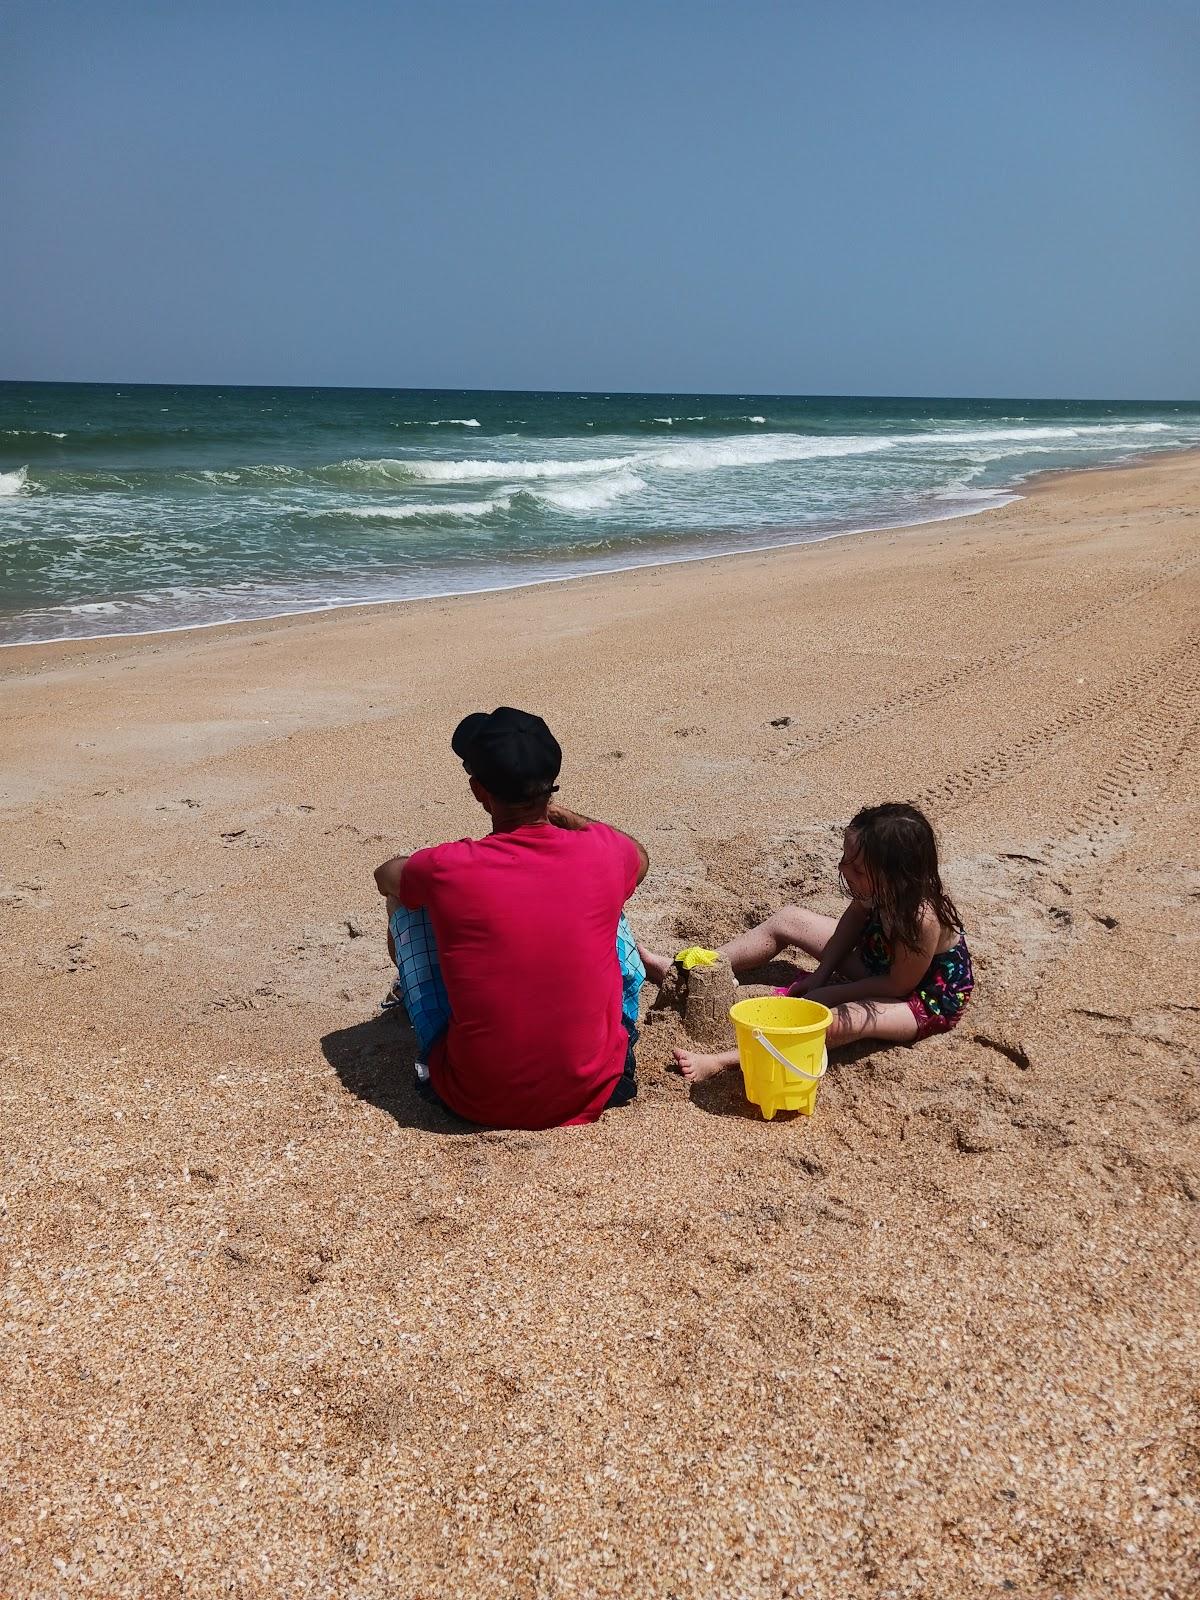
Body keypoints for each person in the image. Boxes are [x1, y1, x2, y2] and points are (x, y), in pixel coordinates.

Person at [374, 706, 649, 1129]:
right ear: (551, 785)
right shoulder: (604, 850)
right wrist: (556, 813)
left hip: (474, 1098)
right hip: (600, 1084)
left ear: (478, 790)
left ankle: (414, 999)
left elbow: (384, 876)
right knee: (607, 902)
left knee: (409, 906)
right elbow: (639, 855)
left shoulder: (449, 866)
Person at [640, 802, 974, 1084]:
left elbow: (899, 984)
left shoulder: (919, 917)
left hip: (921, 995)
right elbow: (852, 924)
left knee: (842, 1020)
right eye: (844, 859)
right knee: (788, 919)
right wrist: (822, 972)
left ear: (896, 874)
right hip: (879, 958)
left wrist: (835, 992)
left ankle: (723, 1061)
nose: (845, 870)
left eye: (856, 868)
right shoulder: (873, 887)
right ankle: (690, 970)